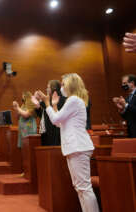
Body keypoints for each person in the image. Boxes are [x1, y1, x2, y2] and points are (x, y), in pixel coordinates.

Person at [40, 73, 99, 212]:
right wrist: (54, 106)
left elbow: (55, 120)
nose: (61, 87)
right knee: (79, 187)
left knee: (84, 187)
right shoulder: (73, 101)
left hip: (78, 146)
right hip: (74, 147)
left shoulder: (73, 100)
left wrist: (47, 104)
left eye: (63, 84)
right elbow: (60, 123)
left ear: (71, 85)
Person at [33, 80, 66, 146]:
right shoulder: (47, 100)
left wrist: (43, 100)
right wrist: (37, 108)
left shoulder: (62, 99)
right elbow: (43, 115)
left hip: (55, 132)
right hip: (46, 132)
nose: (46, 89)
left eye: (48, 87)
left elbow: (54, 113)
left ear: (53, 89)